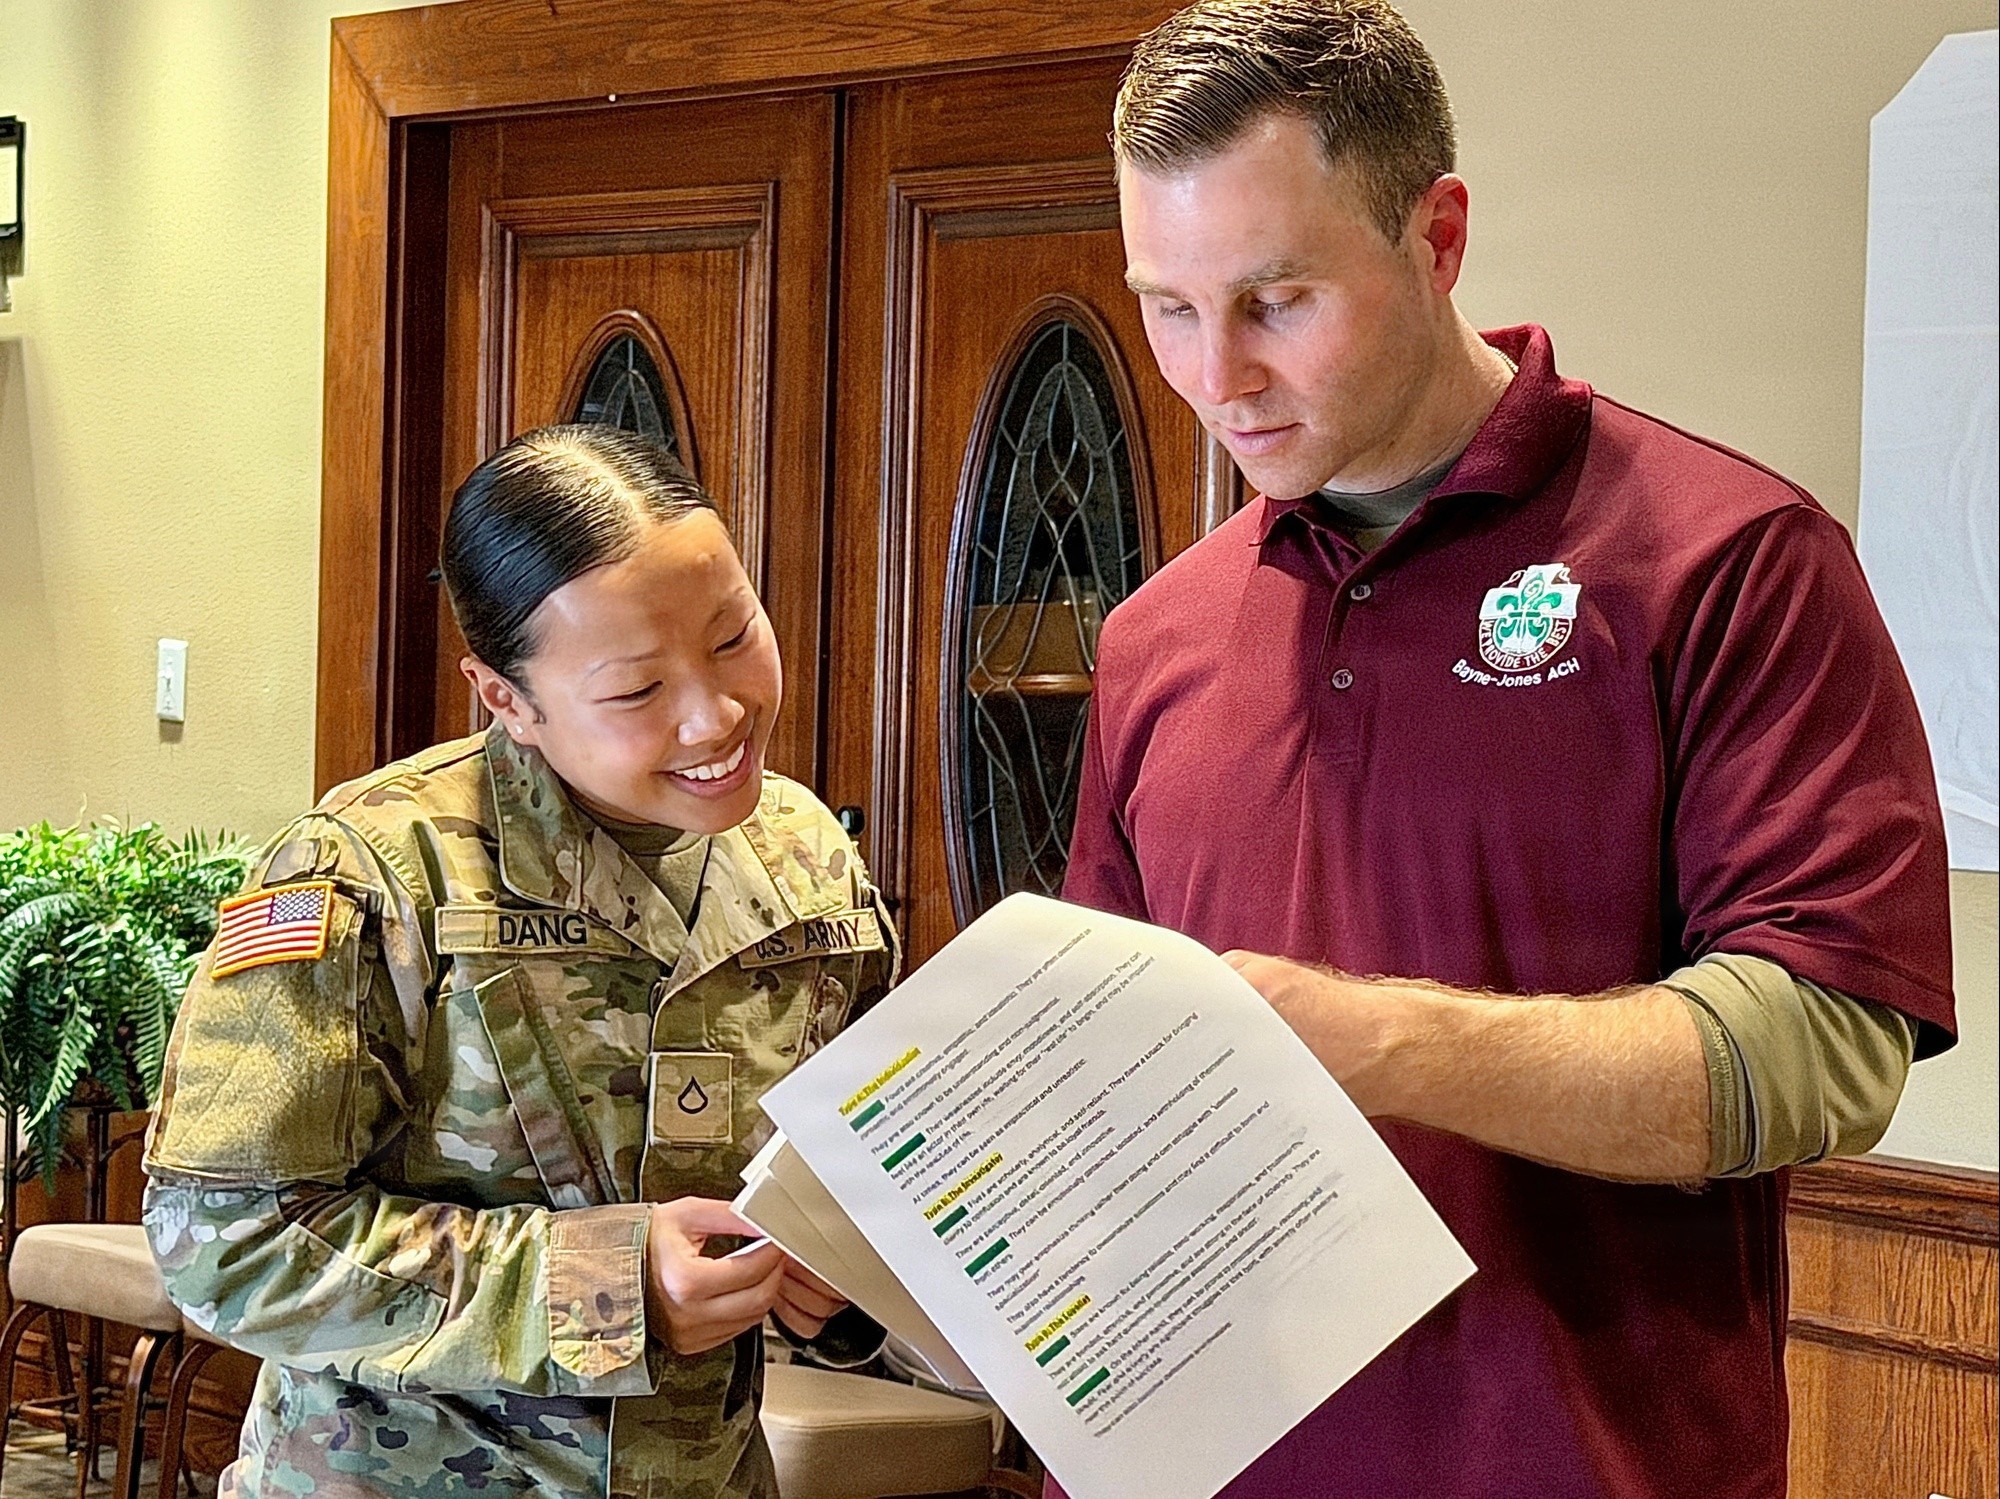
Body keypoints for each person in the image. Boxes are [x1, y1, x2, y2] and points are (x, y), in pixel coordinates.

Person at [1058, 3, 1957, 1496]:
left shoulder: (1728, 559)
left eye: (1276, 300)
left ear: (1439, 236)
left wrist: (1375, 1041)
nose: (1217, 376)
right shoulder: (1157, 634)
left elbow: (1828, 1046)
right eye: (1168, 307)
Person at [142, 426, 897, 1498]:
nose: (717, 714)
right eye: (637, 690)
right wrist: (602, 1284)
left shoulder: (805, 857)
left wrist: (845, 1272)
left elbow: (864, 1161)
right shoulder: (375, 873)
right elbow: (225, 1240)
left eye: (733, 636)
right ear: (507, 698)